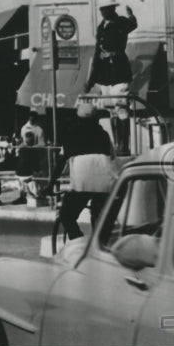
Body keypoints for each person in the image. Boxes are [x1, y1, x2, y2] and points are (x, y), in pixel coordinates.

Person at [44, 98, 117, 241]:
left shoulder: (71, 134)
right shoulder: (104, 135)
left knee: (66, 216)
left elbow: (61, 162)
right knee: (100, 218)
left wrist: (51, 184)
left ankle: (77, 242)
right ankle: (99, 245)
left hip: (82, 183)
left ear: (78, 118)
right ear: (96, 118)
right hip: (105, 183)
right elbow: (112, 158)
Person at [84, 0, 138, 155]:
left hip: (119, 72)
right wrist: (91, 81)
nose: (102, 12)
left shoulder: (120, 22)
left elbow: (132, 24)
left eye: (105, 9)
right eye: (101, 9)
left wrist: (131, 15)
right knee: (111, 110)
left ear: (112, 9)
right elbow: (97, 54)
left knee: (121, 108)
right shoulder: (101, 27)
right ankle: (116, 145)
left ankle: (124, 147)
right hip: (105, 75)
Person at [12, 131, 45, 204]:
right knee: (39, 176)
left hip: (19, 174)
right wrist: (38, 171)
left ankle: (23, 196)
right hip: (27, 174)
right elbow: (35, 165)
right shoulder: (33, 151)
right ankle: (38, 195)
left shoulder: (21, 149)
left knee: (24, 180)